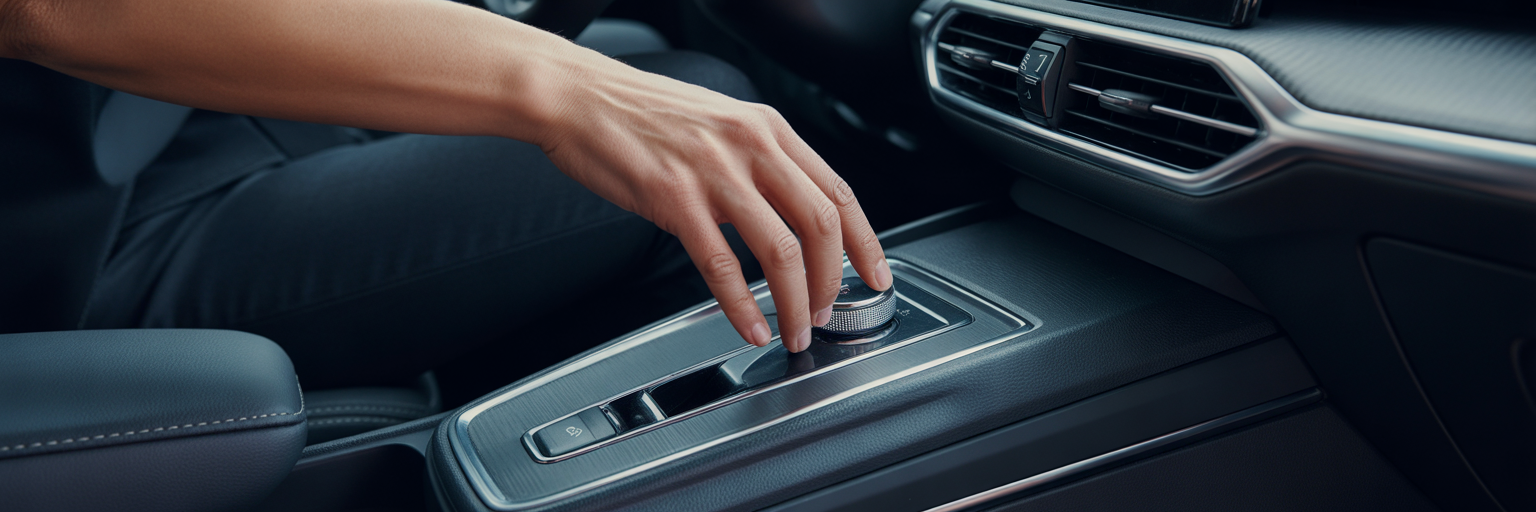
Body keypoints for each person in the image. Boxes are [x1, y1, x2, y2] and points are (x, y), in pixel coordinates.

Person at [0, 0, 889, 388]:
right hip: (74, 242)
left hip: (163, 122)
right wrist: (562, 86)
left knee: (651, 68)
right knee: (696, 134)